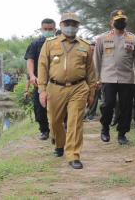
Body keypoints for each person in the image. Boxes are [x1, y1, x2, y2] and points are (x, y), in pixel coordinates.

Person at [37, 12, 96, 169]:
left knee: (75, 121)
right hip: (55, 87)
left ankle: (73, 155)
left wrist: (91, 92)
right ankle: (59, 144)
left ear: (78, 26)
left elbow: (91, 71)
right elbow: (42, 67)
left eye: (74, 24)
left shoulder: (85, 45)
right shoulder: (49, 44)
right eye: (67, 23)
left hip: (79, 87)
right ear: (61, 25)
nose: (70, 27)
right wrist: (42, 90)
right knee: (54, 122)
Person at [94, 9, 135, 145]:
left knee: (126, 107)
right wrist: (96, 78)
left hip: (127, 78)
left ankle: (122, 133)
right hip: (108, 77)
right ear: (111, 22)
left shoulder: (133, 39)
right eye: (117, 20)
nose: (120, 22)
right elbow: (97, 59)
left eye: (123, 20)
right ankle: (105, 128)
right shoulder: (102, 39)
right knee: (108, 104)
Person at [24, 18, 56, 140]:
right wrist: (32, 75)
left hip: (57, 81)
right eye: (45, 29)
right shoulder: (35, 44)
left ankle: (61, 127)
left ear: (55, 29)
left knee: (59, 106)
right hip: (40, 81)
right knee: (39, 107)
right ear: (41, 29)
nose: (48, 31)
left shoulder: (60, 43)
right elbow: (30, 60)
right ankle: (44, 130)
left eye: (50, 29)